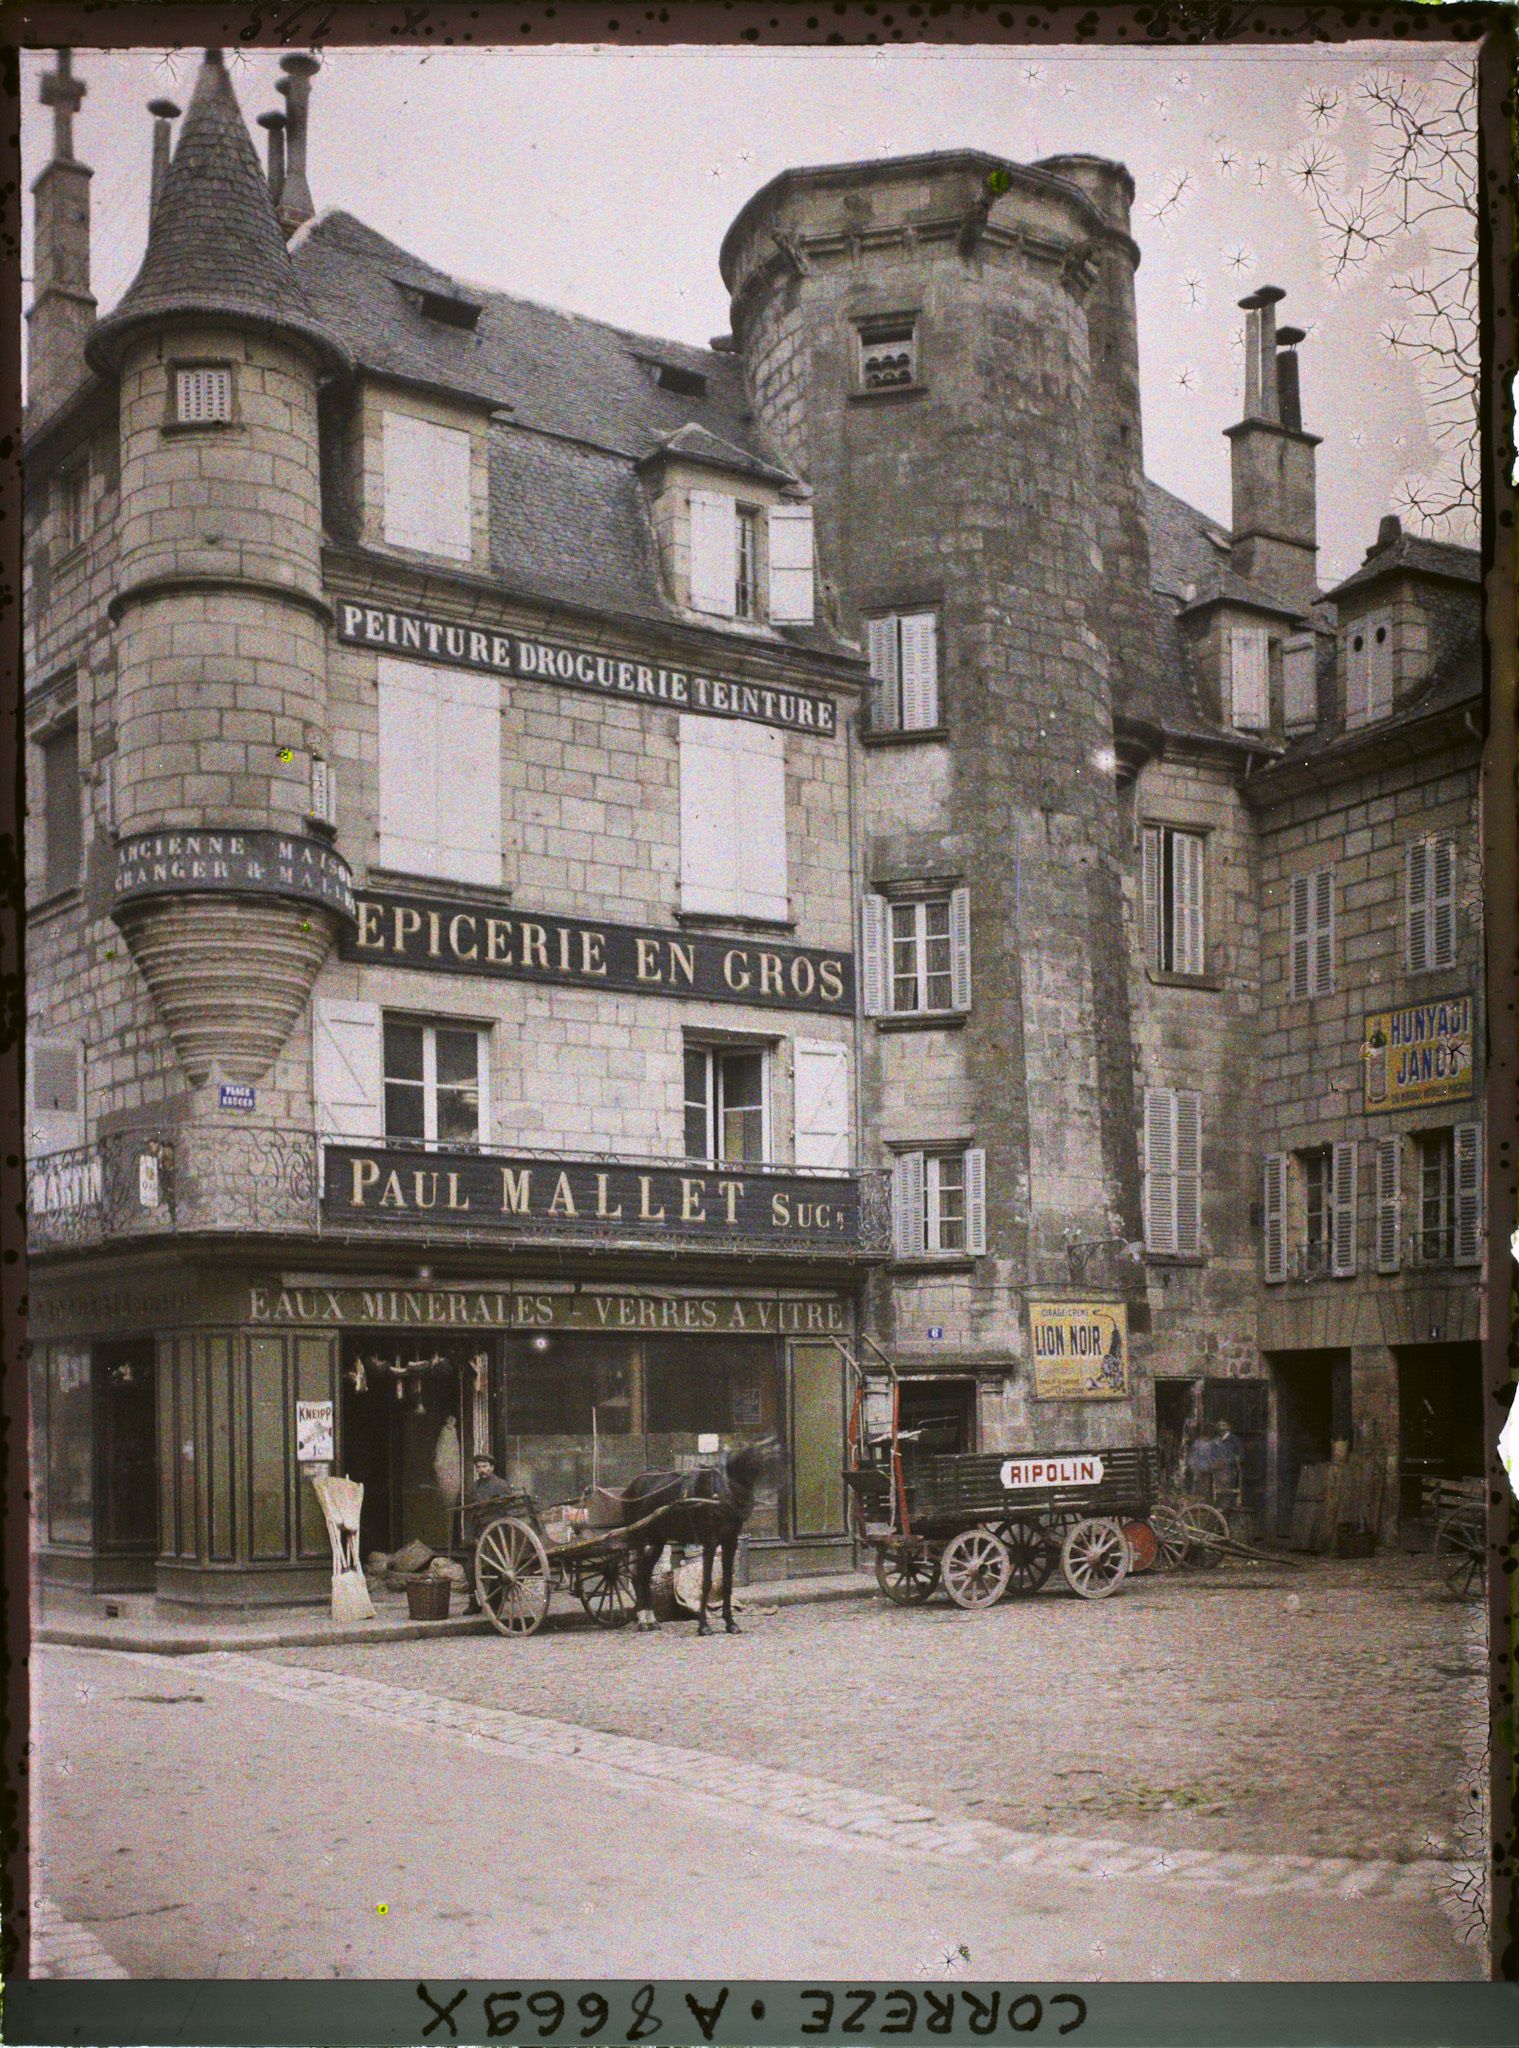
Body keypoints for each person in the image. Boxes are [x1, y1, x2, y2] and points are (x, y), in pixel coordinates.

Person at [462, 1452, 515, 1615]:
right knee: (471, 1569)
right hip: (478, 1533)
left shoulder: (500, 1485)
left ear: (491, 1467)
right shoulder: (475, 1488)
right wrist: (470, 1537)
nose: (481, 1470)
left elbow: (509, 1511)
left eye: (485, 1466)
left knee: (495, 1568)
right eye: (479, 1467)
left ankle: (494, 1603)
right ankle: (474, 1603)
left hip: (496, 1534)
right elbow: (470, 1514)